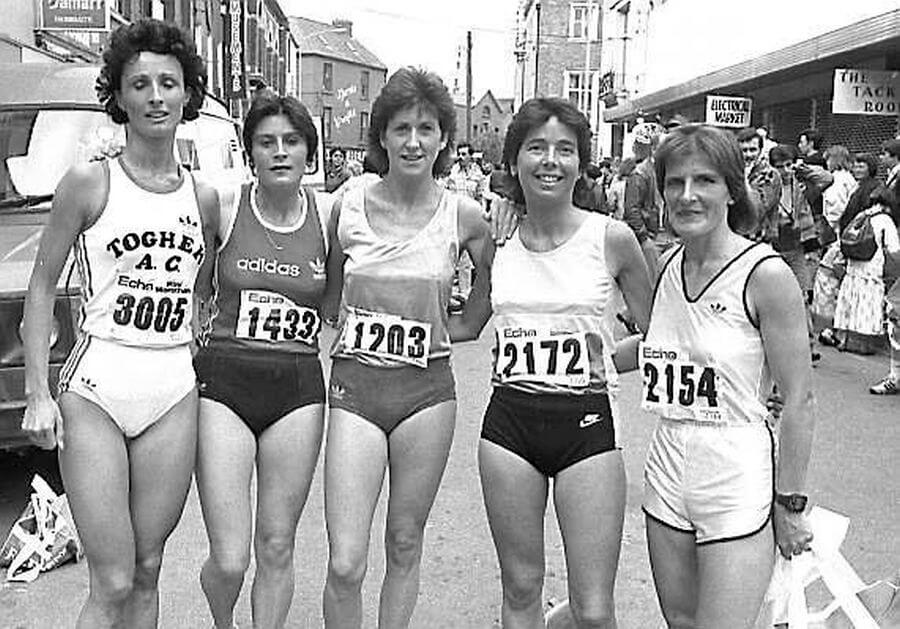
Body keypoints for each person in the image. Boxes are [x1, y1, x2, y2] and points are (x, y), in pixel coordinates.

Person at [20, 19, 218, 628]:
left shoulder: (204, 198)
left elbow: (203, 292)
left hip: (171, 390)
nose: (156, 95)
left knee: (149, 566)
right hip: (98, 387)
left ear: (188, 95)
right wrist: (36, 393)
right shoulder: (89, 183)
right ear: (120, 95)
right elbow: (40, 286)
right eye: (140, 84)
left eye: (168, 82)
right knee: (110, 578)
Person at [451, 97, 653, 629]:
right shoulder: (499, 248)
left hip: (585, 427)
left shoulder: (611, 238)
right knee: (520, 590)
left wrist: (607, 360)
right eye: (536, 148)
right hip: (508, 429)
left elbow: (662, 334)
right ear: (515, 159)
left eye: (565, 150)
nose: (550, 160)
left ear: (581, 163)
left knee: (592, 610)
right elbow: (466, 325)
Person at [321, 67, 491, 629]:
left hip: (426, 393)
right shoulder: (346, 203)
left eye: (427, 128)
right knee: (346, 561)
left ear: (444, 137)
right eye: (400, 128)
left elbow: (490, 287)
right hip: (356, 389)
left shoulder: (463, 216)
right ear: (383, 137)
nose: (414, 141)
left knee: (403, 542)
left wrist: (462, 327)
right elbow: (325, 284)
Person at [638, 124, 815, 628]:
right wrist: (587, 350)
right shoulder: (669, 263)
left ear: (732, 190)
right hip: (667, 464)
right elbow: (658, 348)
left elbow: (800, 398)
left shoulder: (766, 274)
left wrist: (790, 504)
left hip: (735, 471)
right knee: (682, 624)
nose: (687, 195)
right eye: (675, 182)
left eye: (705, 181)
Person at [193, 92, 330, 629]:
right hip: (225, 382)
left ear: (308, 153)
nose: (279, 152)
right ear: (250, 152)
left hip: (297, 387)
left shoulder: (329, 214)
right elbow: (194, 287)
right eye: (266, 142)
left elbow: (339, 297)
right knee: (230, 559)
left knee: (276, 544)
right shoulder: (224, 205)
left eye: (291, 142)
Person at [832, 186, 900, 356]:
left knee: (851, 301)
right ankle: (863, 344)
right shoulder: (885, 219)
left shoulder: (862, 215)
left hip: (854, 268)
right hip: (872, 269)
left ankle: (844, 339)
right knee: (868, 305)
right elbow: (894, 249)